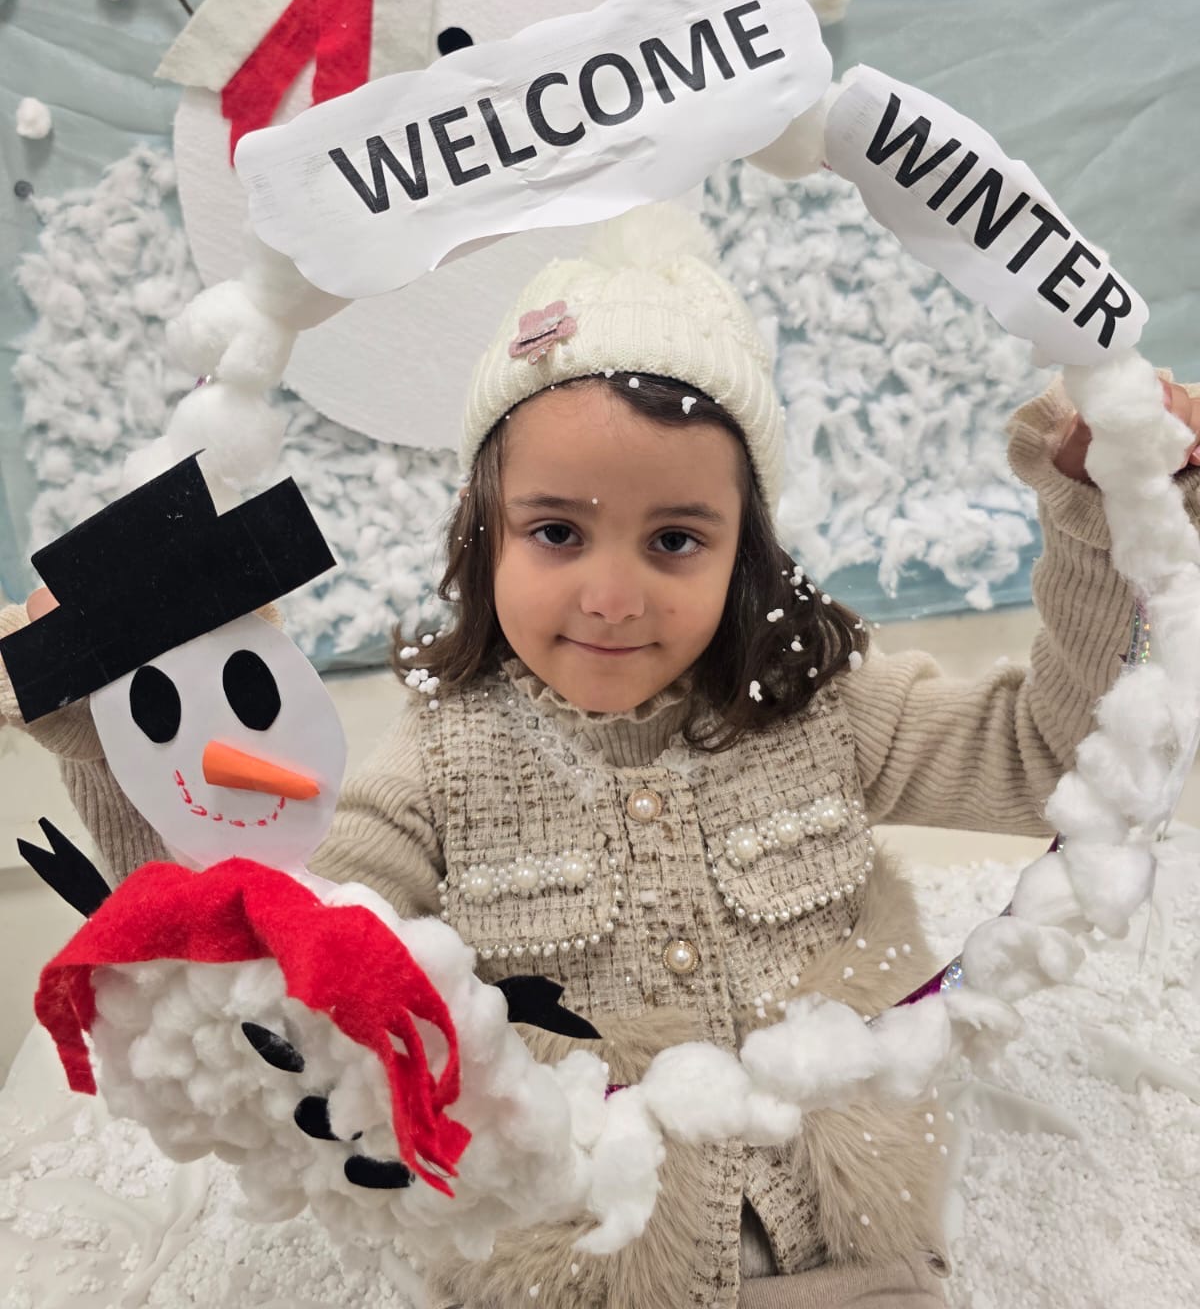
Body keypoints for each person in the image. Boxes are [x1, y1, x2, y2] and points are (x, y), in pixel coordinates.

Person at [3, 203, 1199, 1309]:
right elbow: (269, 956)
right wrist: (114, 729)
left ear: (746, 552)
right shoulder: (443, 760)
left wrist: (1104, 519)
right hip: (567, 1269)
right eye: (557, 531)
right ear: (484, 533)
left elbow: (1055, 757)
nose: (613, 596)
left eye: (675, 539)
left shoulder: (827, 708)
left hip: (858, 1247)